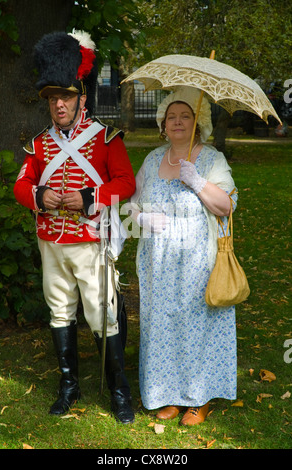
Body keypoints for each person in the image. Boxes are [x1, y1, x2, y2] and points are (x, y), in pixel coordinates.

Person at [13, 31, 136, 424]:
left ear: (81, 97)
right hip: (51, 242)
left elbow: (126, 182)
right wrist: (37, 196)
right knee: (60, 312)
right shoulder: (38, 144)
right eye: (52, 99)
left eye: (64, 97)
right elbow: (21, 184)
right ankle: (69, 386)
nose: (58, 104)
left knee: (103, 314)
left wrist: (89, 198)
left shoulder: (105, 137)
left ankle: (119, 391)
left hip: (90, 242)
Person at [127, 86, 238, 426]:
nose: (177, 121)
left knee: (197, 326)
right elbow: (131, 201)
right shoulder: (152, 159)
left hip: (197, 260)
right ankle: (170, 395)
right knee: (161, 325)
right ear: (162, 125)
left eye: (185, 116)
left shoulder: (211, 159)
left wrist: (199, 182)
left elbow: (227, 205)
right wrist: (141, 217)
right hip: (157, 261)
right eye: (171, 116)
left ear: (197, 123)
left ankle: (199, 399)